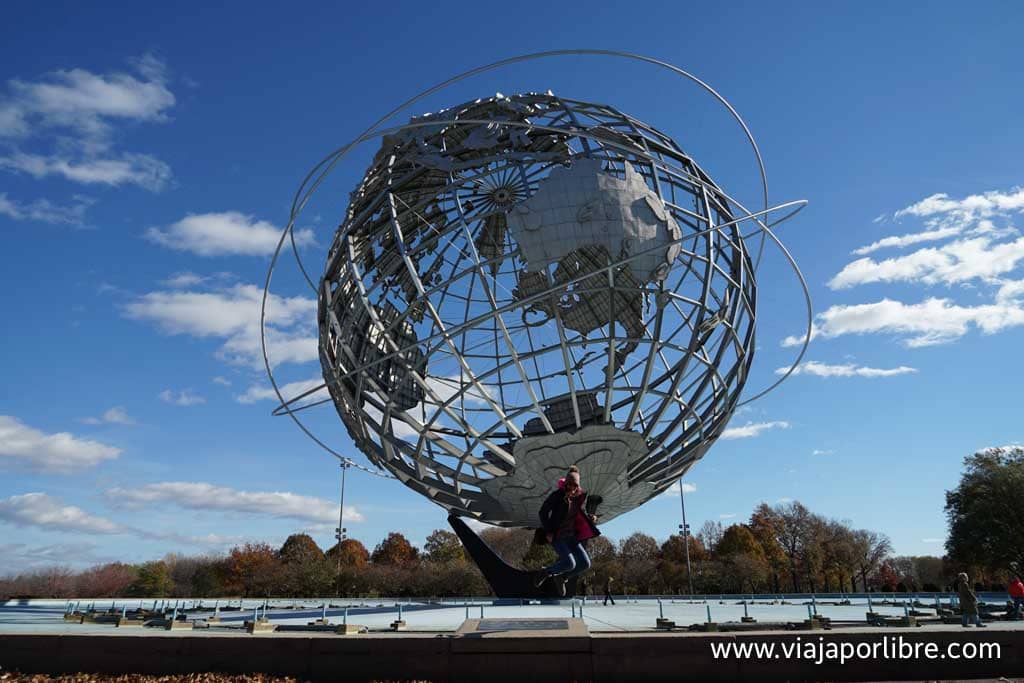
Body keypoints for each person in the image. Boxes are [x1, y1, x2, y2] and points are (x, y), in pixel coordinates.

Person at [534, 466, 600, 597]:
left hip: (571, 537)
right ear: (566, 484)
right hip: (557, 536)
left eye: (575, 486)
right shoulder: (557, 495)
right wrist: (548, 531)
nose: (572, 488)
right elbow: (543, 512)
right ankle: (545, 572)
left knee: (585, 563)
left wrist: (591, 518)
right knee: (570, 563)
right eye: (570, 485)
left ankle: (562, 578)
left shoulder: (578, 498)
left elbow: (580, 515)